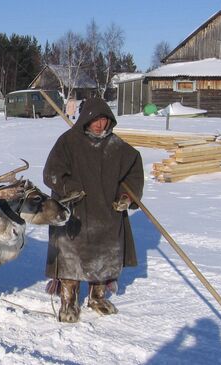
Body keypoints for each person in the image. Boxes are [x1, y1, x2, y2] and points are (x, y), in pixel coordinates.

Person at [43, 97, 144, 323]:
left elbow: (134, 171)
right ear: (86, 119)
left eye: (104, 120)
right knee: (71, 256)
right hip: (75, 211)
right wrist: (70, 188)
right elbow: (51, 173)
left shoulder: (117, 146)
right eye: (96, 120)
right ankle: (68, 301)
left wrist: (126, 197)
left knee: (104, 255)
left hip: (106, 212)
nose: (100, 125)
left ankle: (97, 297)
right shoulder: (68, 142)